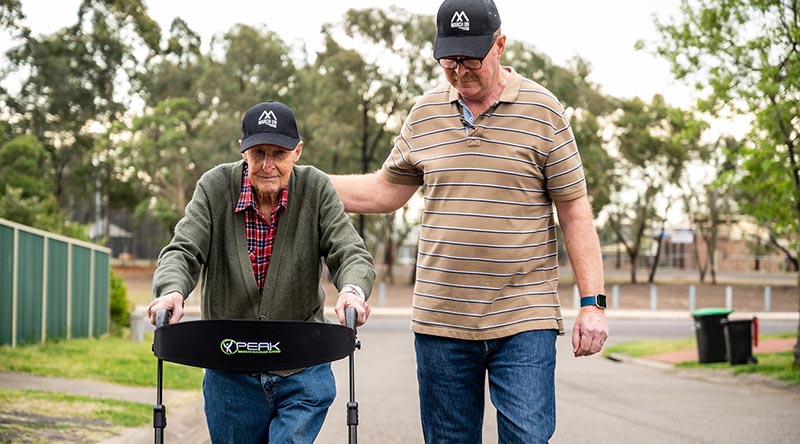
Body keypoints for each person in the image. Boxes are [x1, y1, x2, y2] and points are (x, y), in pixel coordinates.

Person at [329, 0, 608, 442]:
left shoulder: (544, 111)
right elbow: (385, 191)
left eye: (470, 59)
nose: (460, 71)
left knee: (527, 437)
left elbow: (573, 211)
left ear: (500, 45)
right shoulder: (425, 114)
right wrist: (299, 183)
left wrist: (592, 304)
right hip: (441, 321)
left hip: (523, 318)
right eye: (449, 60)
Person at [146, 100, 375, 443]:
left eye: (278, 154)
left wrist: (352, 290)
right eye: (258, 153)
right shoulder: (214, 188)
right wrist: (171, 291)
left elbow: (350, 251)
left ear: (297, 152)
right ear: (244, 153)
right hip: (230, 370)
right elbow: (183, 249)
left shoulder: (316, 189)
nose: (268, 165)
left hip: (302, 367)